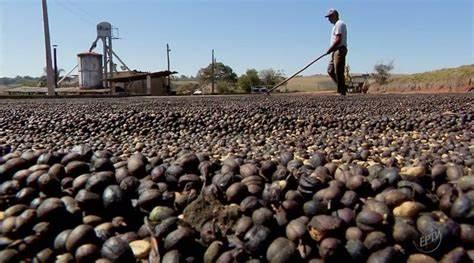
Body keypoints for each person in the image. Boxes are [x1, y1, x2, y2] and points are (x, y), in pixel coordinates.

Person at [325, 9, 348, 96]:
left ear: (335, 16)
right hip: (334, 50)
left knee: (339, 70)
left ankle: (341, 91)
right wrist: (331, 51)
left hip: (339, 49)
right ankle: (343, 87)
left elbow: (338, 40)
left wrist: (330, 49)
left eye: (330, 17)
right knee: (330, 70)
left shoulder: (340, 24)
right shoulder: (335, 26)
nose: (329, 19)